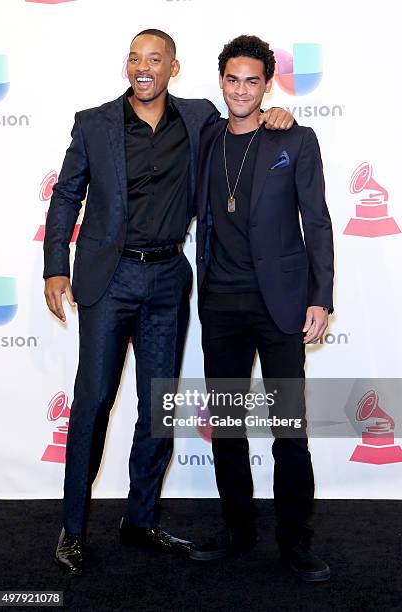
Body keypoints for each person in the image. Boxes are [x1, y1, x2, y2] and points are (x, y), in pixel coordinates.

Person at [43, 28, 294, 574]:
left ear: (172, 69)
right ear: (127, 66)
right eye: (135, 58)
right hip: (108, 280)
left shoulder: (199, 117)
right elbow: (66, 195)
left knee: (156, 411)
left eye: (154, 59)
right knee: (92, 403)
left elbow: (245, 121)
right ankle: (73, 527)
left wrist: (281, 117)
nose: (143, 66)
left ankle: (140, 519)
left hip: (167, 280)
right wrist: (55, 268)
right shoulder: (94, 123)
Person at [190, 35, 334, 582]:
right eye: (233, 79)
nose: (242, 89)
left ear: (267, 84)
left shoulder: (295, 139)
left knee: (288, 428)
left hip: (281, 305)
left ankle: (296, 539)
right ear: (221, 81)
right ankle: (238, 526)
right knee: (227, 425)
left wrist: (321, 296)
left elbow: (316, 221)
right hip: (221, 303)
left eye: (254, 80)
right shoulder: (205, 138)